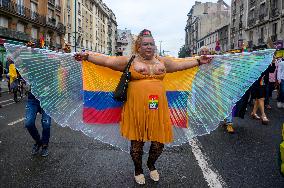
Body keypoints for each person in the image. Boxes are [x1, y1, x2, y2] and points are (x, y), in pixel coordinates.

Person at [74, 29, 212, 185]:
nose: (149, 47)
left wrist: (200, 61)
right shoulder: (130, 60)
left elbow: (181, 65)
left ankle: (151, 164)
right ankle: (138, 169)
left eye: (152, 44)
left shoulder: (162, 61)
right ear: (138, 47)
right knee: (137, 142)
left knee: (159, 142)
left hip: (157, 106)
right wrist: (87, 57)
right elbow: (107, 61)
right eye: (145, 44)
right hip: (136, 107)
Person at [251, 59, 276, 124]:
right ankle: (263, 115)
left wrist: (273, 62)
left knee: (258, 99)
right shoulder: (255, 61)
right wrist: (260, 79)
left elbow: (271, 70)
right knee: (261, 98)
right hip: (256, 83)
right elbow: (254, 72)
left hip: (264, 83)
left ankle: (253, 113)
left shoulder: (266, 62)